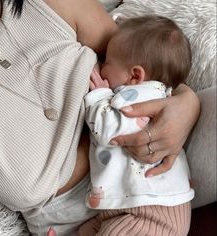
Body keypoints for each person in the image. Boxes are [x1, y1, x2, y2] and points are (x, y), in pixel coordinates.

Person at [0, 0, 202, 235]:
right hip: (70, 220)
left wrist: (186, 103)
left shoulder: (49, 4)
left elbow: (150, 61)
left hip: (152, 185)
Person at [79, 16, 194, 235]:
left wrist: (98, 96)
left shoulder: (137, 96)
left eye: (107, 62)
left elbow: (109, 130)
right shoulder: (160, 95)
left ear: (135, 75)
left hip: (149, 211)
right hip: (139, 206)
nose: (101, 67)